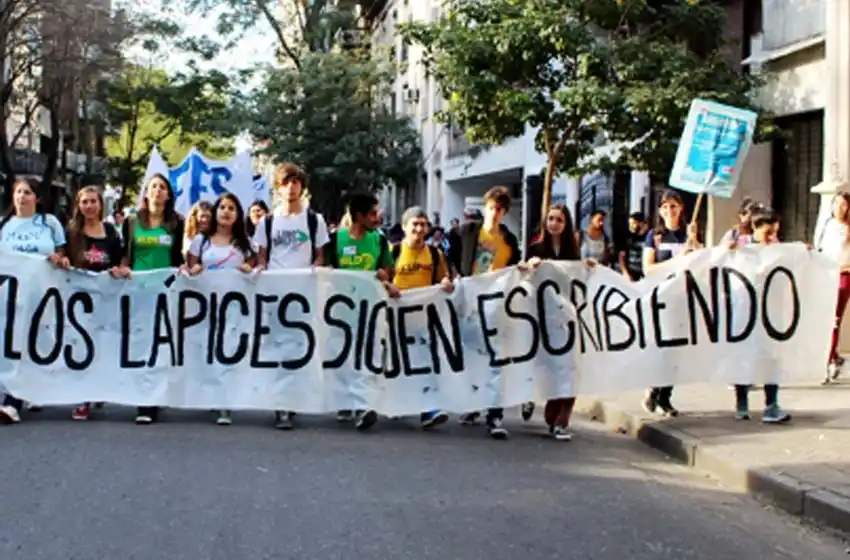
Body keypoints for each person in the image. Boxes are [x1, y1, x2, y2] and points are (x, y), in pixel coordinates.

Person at [253, 162, 330, 430]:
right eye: (286, 182)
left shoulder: (314, 220)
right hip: (276, 295)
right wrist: (259, 272)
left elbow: (320, 255)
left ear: (302, 187)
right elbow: (262, 258)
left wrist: (317, 271)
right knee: (278, 347)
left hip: (303, 295)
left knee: (299, 347)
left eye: (296, 182)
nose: (291, 187)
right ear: (279, 187)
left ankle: (294, 398)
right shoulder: (267, 221)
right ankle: (281, 404)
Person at [448, 186, 521, 439]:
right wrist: (456, 278)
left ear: (505, 212)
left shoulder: (509, 240)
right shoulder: (468, 232)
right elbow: (453, 257)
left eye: (500, 209)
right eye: (492, 208)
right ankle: (473, 403)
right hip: (470, 302)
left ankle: (495, 413)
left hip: (497, 305)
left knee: (496, 358)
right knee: (472, 355)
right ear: (485, 207)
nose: (495, 213)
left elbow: (515, 269)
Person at [324, 191, 398, 431]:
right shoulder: (336, 240)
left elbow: (388, 270)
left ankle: (366, 404)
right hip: (342, 311)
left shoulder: (379, 240)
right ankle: (345, 401)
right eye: (373, 213)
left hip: (370, 309)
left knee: (369, 357)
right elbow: (326, 271)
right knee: (343, 356)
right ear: (359, 216)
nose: (377, 218)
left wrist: (385, 277)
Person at [0, 178, 70, 425]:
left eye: (27, 192)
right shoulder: (4, 225)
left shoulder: (49, 223)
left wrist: (58, 258)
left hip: (40, 295)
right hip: (10, 297)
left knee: (33, 344)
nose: (21, 197)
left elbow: (62, 253)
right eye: (18, 192)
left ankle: (20, 396)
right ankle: (12, 400)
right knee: (13, 346)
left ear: (37, 198)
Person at [184, 193, 257, 425]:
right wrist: (193, 269)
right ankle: (208, 393)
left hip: (233, 307)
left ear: (238, 215)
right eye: (222, 207)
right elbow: (190, 265)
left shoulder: (244, 244)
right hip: (205, 305)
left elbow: (257, 263)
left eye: (231, 208)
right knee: (206, 348)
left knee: (228, 349)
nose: (226, 211)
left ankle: (225, 400)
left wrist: (249, 266)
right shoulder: (201, 241)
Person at [118, 173, 185, 425]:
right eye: (153, 186)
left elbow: (178, 256)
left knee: (159, 344)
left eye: (162, 187)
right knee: (139, 343)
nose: (157, 191)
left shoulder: (176, 223)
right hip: (137, 290)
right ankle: (141, 395)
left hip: (165, 291)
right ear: (146, 193)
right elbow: (126, 253)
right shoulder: (133, 221)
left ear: (168, 195)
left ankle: (153, 398)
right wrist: (123, 267)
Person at [519, 204, 585, 441]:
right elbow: (524, 279)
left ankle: (559, 420)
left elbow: (578, 279)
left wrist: (589, 269)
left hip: (562, 317)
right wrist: (530, 267)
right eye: (551, 219)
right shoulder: (536, 248)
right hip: (539, 314)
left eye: (559, 219)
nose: (554, 223)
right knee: (537, 361)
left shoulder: (572, 252)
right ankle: (528, 396)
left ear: (566, 225)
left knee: (565, 364)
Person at [65, 186, 124, 421]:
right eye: (84, 202)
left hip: (105, 296)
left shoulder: (110, 232)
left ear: (101, 204)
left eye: (93, 201)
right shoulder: (72, 231)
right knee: (82, 347)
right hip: (77, 297)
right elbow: (63, 256)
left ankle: (97, 387)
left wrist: (121, 270)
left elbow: (119, 260)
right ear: (78, 205)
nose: (88, 206)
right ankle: (83, 397)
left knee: (102, 345)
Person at [728, 207, 791, 423]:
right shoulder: (741, 250)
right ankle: (742, 402)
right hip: (746, 313)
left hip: (771, 313)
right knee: (744, 356)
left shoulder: (778, 250)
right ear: (755, 228)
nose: (772, 237)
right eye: (768, 232)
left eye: (775, 232)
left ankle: (771, 404)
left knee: (772, 357)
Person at [392, 206, 453, 429]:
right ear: (404, 227)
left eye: (423, 224)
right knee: (398, 363)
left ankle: (429, 409)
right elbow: (381, 279)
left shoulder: (435, 254)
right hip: (396, 317)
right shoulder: (394, 251)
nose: (419, 229)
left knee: (426, 363)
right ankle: (395, 403)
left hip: (425, 316)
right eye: (414, 224)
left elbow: (444, 279)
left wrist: (446, 283)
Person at [641, 190, 700, 417]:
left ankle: (665, 397)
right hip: (660, 298)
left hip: (683, 298)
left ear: (681, 208)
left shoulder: (688, 234)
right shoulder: (654, 237)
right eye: (665, 207)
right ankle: (654, 388)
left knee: (677, 351)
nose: (669, 211)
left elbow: (702, 260)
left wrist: (693, 241)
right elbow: (649, 268)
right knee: (661, 348)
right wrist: (679, 258)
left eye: (673, 206)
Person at [817, 192, 850, 384]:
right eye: (836, 203)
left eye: (843, 204)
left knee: (834, 319)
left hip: (843, 275)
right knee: (823, 318)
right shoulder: (828, 225)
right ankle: (833, 355)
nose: (839, 207)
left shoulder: (847, 228)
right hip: (826, 273)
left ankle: (828, 361)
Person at [619, 211, 648, 281]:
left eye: (633, 223)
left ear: (641, 223)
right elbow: (622, 256)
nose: (630, 226)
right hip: (632, 275)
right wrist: (625, 273)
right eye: (629, 224)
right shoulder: (628, 237)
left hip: (647, 275)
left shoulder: (650, 236)